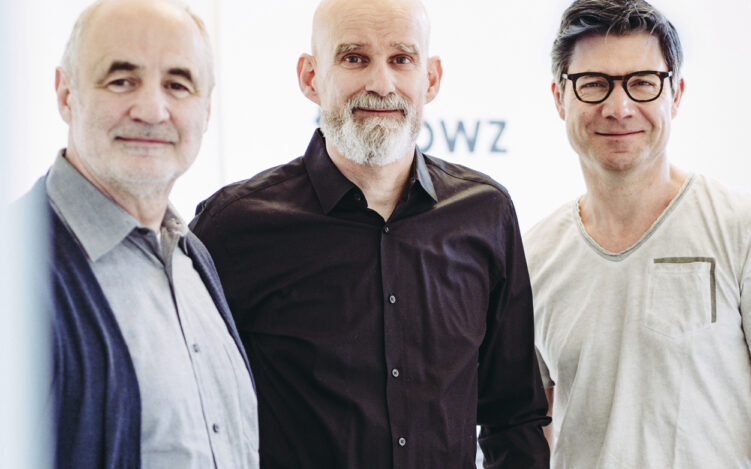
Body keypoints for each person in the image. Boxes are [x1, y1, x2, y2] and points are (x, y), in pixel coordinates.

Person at [190, 0, 550, 467]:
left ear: (431, 79)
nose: (381, 84)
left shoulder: (486, 214)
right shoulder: (233, 227)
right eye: (354, 58)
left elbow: (515, 418)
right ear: (310, 77)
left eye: (401, 59)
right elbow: (190, 414)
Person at [16, 0, 260, 467]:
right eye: (121, 80)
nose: (152, 110)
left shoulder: (193, 259)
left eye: (177, 84)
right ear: (66, 94)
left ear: (206, 110)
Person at [524, 0, 751, 467]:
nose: (619, 108)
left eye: (643, 83)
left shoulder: (738, 229)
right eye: (593, 84)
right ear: (559, 97)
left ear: (676, 94)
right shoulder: (533, 256)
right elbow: (530, 425)